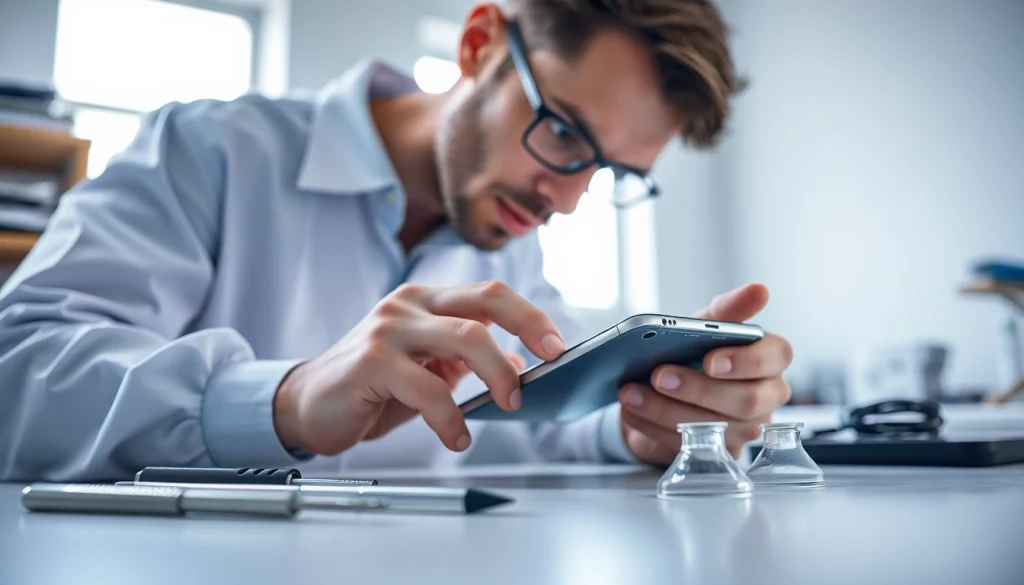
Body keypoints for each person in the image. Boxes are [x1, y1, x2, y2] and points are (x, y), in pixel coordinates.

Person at [0, 0, 793, 482]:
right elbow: (18, 375)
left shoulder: (507, 232)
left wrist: (647, 423)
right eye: (562, 133)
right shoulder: (209, 151)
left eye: (611, 173)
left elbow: (535, 419)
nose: (567, 197)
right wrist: (283, 402)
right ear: (479, 44)